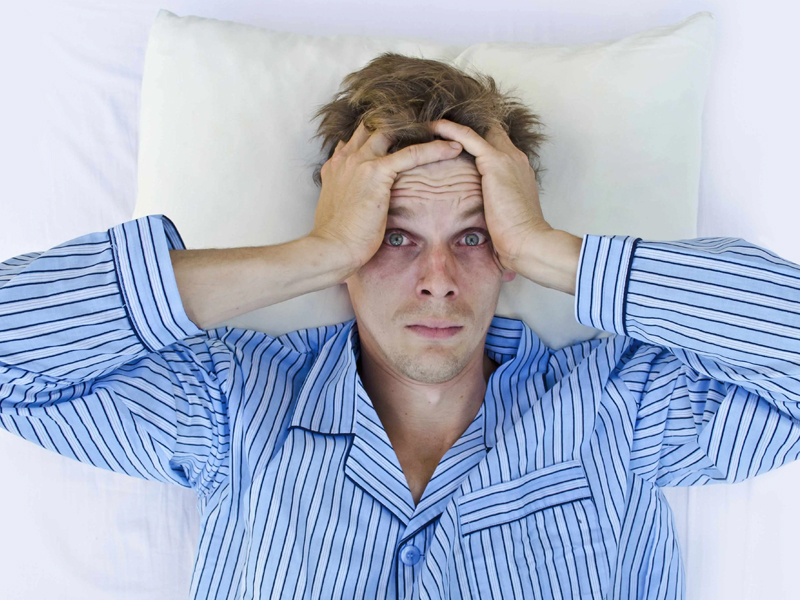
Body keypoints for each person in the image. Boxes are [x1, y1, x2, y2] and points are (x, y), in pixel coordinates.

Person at [1, 52, 798, 600]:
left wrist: (550, 250)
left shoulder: (619, 407)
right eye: (394, 237)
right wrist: (312, 255)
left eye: (474, 237)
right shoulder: (231, 405)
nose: (438, 279)